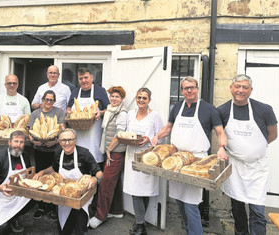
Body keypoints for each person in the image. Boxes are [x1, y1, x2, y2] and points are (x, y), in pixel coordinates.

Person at [152, 76, 228, 235]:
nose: (189, 90)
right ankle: (188, 230)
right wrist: (157, 137)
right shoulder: (177, 107)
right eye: (186, 88)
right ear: (181, 91)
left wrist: (222, 147)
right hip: (177, 160)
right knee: (179, 201)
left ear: (197, 88)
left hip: (197, 162)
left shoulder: (209, 109)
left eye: (192, 87)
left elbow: (220, 132)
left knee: (191, 205)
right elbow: (168, 127)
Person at [218, 74, 278, 235]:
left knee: (257, 211)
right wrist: (222, 147)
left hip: (256, 168)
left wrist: (254, 150)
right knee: (237, 210)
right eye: (237, 86)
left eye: (245, 87)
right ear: (231, 88)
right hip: (235, 167)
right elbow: (220, 134)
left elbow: (273, 135)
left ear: (251, 90)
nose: (240, 90)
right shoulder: (223, 110)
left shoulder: (264, 110)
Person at [33, 128, 103, 235]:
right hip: (63, 196)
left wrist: (95, 179)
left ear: (75, 140)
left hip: (81, 196)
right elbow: (53, 168)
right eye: (63, 140)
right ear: (59, 142)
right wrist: (42, 172)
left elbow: (99, 173)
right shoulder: (58, 152)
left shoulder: (84, 153)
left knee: (80, 229)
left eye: (70, 140)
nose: (66, 143)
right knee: (64, 231)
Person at [123, 88, 164, 235]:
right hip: (131, 156)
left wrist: (149, 141)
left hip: (147, 157)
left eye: (144, 98)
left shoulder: (155, 116)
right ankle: (140, 224)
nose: (141, 100)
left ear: (149, 100)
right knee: (135, 191)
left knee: (144, 191)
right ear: (136, 98)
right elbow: (127, 132)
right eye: (139, 97)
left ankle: (139, 224)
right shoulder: (130, 114)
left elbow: (160, 138)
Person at [0, 130, 35, 235]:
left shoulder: (25, 156)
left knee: (36, 198)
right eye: (16, 141)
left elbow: (27, 176)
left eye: (21, 142)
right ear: (9, 142)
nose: (18, 145)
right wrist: (1, 188)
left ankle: (13, 217)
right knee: (1, 229)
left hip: (16, 196)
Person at [89, 86, 128, 229]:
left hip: (115, 152)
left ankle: (100, 215)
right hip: (109, 151)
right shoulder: (111, 110)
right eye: (112, 96)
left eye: (117, 97)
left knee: (106, 183)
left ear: (122, 99)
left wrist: (109, 150)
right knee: (114, 182)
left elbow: (119, 135)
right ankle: (116, 210)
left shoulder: (122, 113)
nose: (113, 99)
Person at [28, 90, 66, 221]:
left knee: (54, 177)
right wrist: (33, 140)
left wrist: (55, 141)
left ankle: (54, 208)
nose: (48, 102)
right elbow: (30, 130)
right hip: (39, 151)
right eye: (46, 99)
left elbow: (63, 130)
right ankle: (41, 206)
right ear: (42, 100)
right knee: (39, 177)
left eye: (51, 100)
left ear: (54, 101)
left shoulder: (59, 112)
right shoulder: (35, 113)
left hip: (54, 151)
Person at [66, 68, 110, 166]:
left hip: (93, 134)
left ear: (91, 78)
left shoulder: (100, 91)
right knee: (78, 161)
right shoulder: (75, 91)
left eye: (86, 77)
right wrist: (69, 113)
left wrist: (101, 112)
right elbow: (68, 108)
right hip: (77, 134)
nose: (84, 81)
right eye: (81, 78)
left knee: (94, 161)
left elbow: (109, 109)